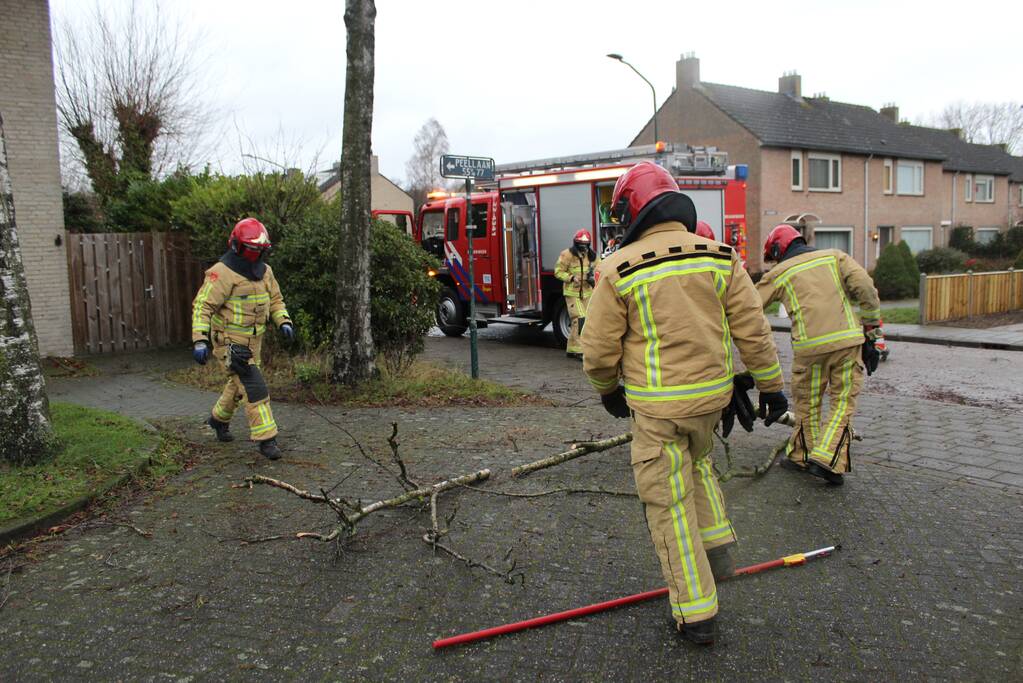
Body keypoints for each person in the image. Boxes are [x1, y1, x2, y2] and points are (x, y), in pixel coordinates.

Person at [582, 162, 787, 645]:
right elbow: (753, 329)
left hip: (658, 412)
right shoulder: (720, 257)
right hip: (711, 404)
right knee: (698, 468)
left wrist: (608, 389)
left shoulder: (618, 268)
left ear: (630, 210)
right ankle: (717, 553)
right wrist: (771, 386)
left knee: (666, 501)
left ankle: (695, 612)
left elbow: (597, 351)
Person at [757, 224, 881, 485]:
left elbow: (748, 305)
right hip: (847, 345)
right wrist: (871, 330)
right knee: (842, 404)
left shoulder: (779, 273)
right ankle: (827, 461)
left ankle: (803, 455)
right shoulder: (835, 257)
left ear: (778, 250)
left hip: (808, 350)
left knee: (807, 403)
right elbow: (865, 288)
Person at [190, 218, 294, 460]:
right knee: (254, 388)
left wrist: (284, 321)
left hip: (253, 343)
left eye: (259, 251)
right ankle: (267, 440)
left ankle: (217, 420)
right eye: (250, 250)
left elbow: (276, 300)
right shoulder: (221, 273)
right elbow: (202, 307)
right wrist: (200, 340)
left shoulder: (266, 272)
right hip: (229, 344)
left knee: (238, 386)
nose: (254, 256)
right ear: (237, 246)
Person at [554, 229, 596, 359]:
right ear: (575, 243)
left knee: (583, 320)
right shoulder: (566, 255)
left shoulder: (592, 256)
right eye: (581, 244)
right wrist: (571, 278)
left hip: (587, 292)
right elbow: (558, 271)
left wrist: (593, 278)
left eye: (586, 244)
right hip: (572, 292)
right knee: (579, 319)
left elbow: (599, 268)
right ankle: (580, 351)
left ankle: (572, 349)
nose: (584, 247)